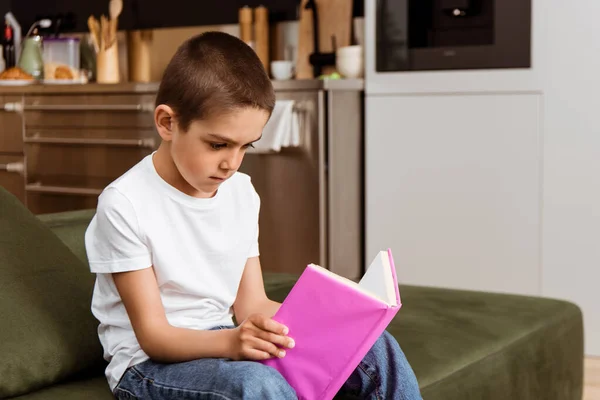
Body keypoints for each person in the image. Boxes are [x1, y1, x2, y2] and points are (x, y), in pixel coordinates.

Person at [85, 31, 422, 399]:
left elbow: (252, 305)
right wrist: (232, 343)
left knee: (376, 346)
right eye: (218, 144)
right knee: (258, 384)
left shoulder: (241, 192)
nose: (231, 163)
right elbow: (154, 337)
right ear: (167, 123)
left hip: (224, 341)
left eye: (246, 146)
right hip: (146, 368)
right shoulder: (125, 203)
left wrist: (337, 324)